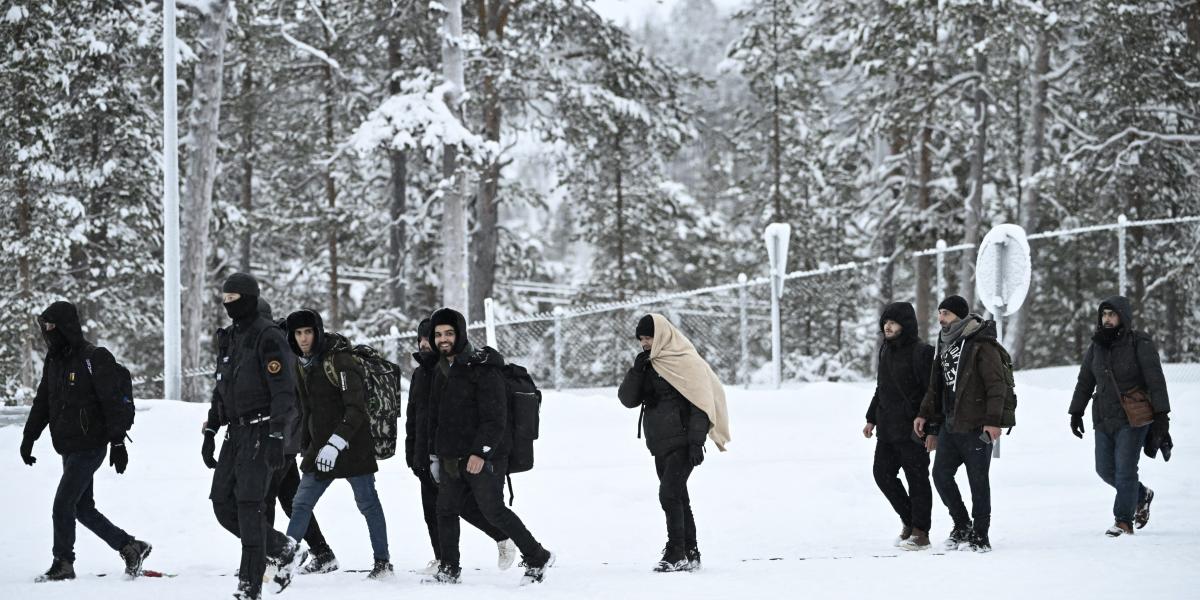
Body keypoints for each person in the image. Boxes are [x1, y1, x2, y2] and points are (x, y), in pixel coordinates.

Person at [203, 299, 338, 576]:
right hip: (285, 438)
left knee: (261, 499)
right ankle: (321, 553)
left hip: (277, 438)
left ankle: (271, 556)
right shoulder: (258, 345)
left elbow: (286, 399)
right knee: (287, 498)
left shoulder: (272, 346)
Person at [21, 301, 152, 582]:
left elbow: (111, 404)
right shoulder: (54, 360)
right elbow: (44, 400)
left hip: (91, 445)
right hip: (68, 445)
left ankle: (64, 562)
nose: (47, 332)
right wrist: (29, 437)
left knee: (63, 503)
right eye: (45, 327)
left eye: (52, 326)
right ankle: (131, 546)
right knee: (82, 507)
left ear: (66, 326)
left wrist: (117, 443)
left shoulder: (94, 357)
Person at [424, 307, 554, 585]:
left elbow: (496, 418)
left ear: (459, 334)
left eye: (449, 333)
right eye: (438, 334)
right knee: (445, 510)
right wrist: (434, 455)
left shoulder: (482, 368)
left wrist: (480, 452)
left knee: (493, 510)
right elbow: (436, 418)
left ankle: (537, 556)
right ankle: (449, 568)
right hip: (449, 455)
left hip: (485, 456)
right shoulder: (440, 369)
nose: (443, 339)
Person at [274, 309, 392, 584]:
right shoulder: (301, 363)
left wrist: (335, 444)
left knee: (368, 503)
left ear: (318, 331)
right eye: (298, 333)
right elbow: (307, 409)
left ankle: (383, 562)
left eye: (308, 332)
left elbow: (356, 410)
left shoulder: (339, 361)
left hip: (353, 446)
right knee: (301, 502)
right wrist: (308, 446)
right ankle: (287, 562)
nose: (303, 339)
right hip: (319, 449)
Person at [206, 273, 303, 599]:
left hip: (262, 430)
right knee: (222, 505)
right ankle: (283, 548)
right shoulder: (230, 337)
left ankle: (249, 587)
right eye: (225, 298)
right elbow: (223, 388)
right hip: (235, 433)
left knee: (250, 506)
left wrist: (278, 435)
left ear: (249, 298)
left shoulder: (269, 336)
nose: (228, 304)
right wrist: (210, 428)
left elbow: (284, 392)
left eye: (234, 298)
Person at [618, 313, 731, 572]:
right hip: (659, 443)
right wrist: (638, 370)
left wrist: (695, 442)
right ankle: (691, 553)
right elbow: (627, 399)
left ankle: (675, 552)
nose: (645, 343)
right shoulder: (649, 364)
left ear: (663, 335)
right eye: (641, 339)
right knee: (679, 497)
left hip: (683, 442)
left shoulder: (686, 361)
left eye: (649, 337)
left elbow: (700, 404)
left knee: (668, 494)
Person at [405, 318, 515, 574]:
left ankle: (501, 538)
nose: (423, 343)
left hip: (447, 453)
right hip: (424, 455)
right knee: (432, 512)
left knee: (462, 507)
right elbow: (414, 418)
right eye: (420, 339)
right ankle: (442, 559)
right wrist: (413, 454)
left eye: (427, 338)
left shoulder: (449, 371)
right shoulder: (421, 372)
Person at [1069, 296, 1171, 536]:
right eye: (1103, 314)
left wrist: (1161, 416)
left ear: (1122, 316)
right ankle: (1141, 494)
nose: (1107, 319)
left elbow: (1156, 381)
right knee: (1104, 469)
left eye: (1111, 314)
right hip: (1104, 417)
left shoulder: (1140, 342)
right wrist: (1076, 411)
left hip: (1133, 417)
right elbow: (1085, 381)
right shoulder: (1097, 346)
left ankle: (1123, 521)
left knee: (1125, 469)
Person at [914, 295, 1007, 553]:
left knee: (978, 481)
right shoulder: (943, 343)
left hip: (977, 426)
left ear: (960, 316)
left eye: (946, 313)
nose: (941, 318)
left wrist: (993, 421)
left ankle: (981, 535)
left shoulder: (980, 343)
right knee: (941, 476)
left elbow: (996, 385)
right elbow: (936, 386)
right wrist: (926, 416)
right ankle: (962, 524)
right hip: (950, 425)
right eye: (940, 312)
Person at [864, 302, 934, 550]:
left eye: (892, 322)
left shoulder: (922, 352)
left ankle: (920, 532)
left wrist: (931, 428)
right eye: (885, 322)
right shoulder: (885, 350)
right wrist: (871, 418)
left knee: (917, 479)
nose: (887, 326)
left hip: (913, 430)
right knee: (882, 474)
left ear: (905, 324)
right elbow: (881, 388)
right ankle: (908, 519)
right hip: (887, 428)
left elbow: (932, 393)